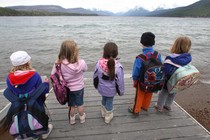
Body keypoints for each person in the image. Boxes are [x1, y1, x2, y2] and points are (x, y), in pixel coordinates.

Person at [5, 51, 53, 139]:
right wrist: (45, 84)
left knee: (20, 116)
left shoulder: (9, 78)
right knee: (38, 116)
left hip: (18, 105)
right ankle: (38, 133)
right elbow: (41, 92)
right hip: (35, 103)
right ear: (28, 62)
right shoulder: (35, 75)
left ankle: (21, 133)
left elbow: (12, 91)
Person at [51, 40, 88, 125]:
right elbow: (85, 69)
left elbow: (53, 74)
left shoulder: (59, 64)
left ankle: (72, 120)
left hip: (68, 88)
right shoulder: (81, 62)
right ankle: (82, 118)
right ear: (75, 51)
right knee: (80, 104)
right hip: (79, 88)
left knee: (71, 106)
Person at [128, 32, 162, 116]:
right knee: (149, 93)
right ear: (153, 42)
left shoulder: (140, 57)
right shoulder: (158, 55)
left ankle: (135, 110)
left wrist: (135, 80)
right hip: (154, 80)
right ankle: (145, 107)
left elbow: (136, 71)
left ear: (141, 43)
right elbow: (160, 66)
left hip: (142, 81)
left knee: (139, 95)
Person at [155, 36, 192, 112]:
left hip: (169, 78)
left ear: (175, 45)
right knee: (173, 91)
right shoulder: (188, 57)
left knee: (164, 92)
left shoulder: (170, 58)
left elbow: (166, 71)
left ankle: (159, 106)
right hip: (180, 78)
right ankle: (168, 105)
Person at [93, 42, 124, 124]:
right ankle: (108, 116)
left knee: (104, 99)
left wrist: (96, 86)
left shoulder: (98, 64)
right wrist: (121, 92)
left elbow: (95, 76)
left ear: (104, 52)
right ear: (116, 54)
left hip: (102, 88)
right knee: (109, 101)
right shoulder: (118, 66)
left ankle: (103, 112)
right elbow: (120, 81)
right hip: (111, 90)